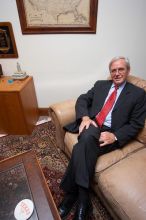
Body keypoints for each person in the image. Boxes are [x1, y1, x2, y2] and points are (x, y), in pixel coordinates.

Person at [58, 56, 146, 220]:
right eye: (113, 70)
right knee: (88, 135)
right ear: (110, 72)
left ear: (128, 71)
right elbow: (83, 98)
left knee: (81, 146)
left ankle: (72, 195)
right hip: (92, 124)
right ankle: (84, 200)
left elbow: (136, 124)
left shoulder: (138, 94)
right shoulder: (100, 85)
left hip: (109, 133)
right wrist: (84, 117)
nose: (117, 73)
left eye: (121, 69)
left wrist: (115, 136)